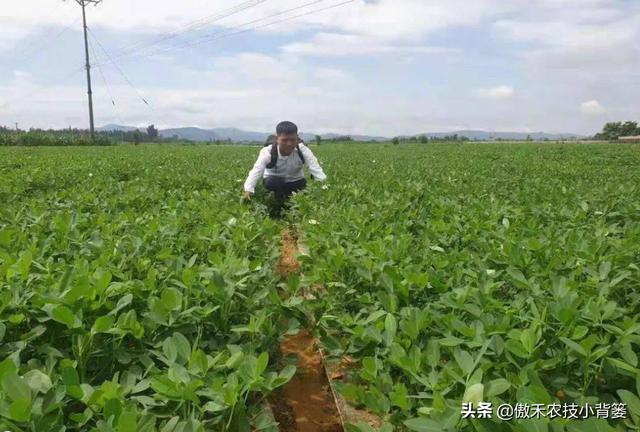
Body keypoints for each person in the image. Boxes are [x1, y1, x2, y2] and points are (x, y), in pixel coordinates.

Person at [242, 121, 327, 206]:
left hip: (296, 181)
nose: (289, 144)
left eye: (292, 140)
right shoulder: (268, 151)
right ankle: (278, 203)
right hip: (275, 181)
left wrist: (324, 187)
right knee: (273, 182)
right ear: (277, 138)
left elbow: (315, 168)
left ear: (297, 138)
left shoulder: (302, 149)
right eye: (284, 140)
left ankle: (291, 202)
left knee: (302, 190)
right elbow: (256, 171)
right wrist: (248, 190)